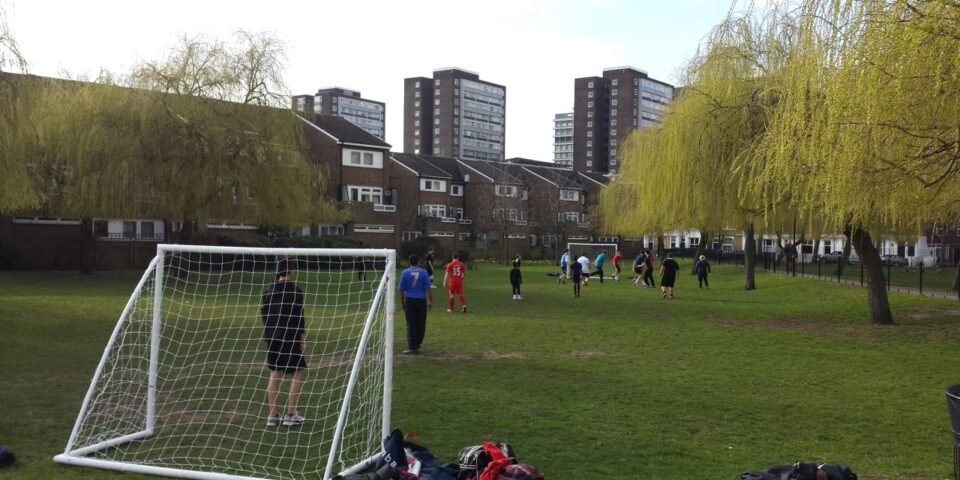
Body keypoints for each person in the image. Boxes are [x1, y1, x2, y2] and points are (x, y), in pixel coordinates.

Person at [261, 257, 307, 427]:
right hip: (290, 337)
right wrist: (302, 339)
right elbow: (298, 317)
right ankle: (290, 414)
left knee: (275, 373)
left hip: (273, 338)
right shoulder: (295, 291)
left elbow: (264, 315)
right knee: (296, 372)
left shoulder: (268, 290)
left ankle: (273, 415)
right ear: (291, 271)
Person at [398, 254, 433, 355]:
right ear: (418, 262)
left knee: (411, 323)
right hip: (421, 300)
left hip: (410, 299)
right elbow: (428, 288)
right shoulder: (424, 272)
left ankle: (412, 347)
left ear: (409, 262)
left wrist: (402, 302)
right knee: (421, 323)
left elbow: (401, 289)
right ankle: (417, 343)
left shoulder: (405, 273)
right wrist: (430, 301)